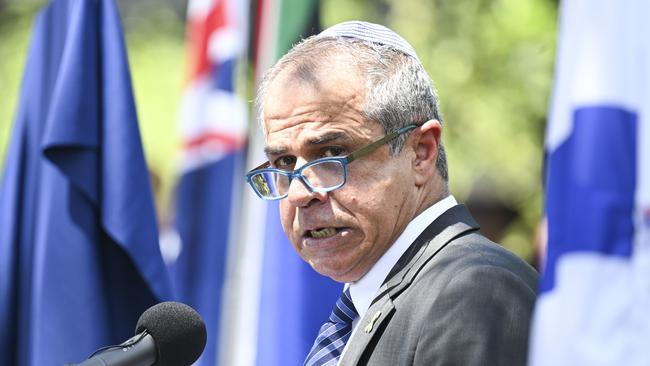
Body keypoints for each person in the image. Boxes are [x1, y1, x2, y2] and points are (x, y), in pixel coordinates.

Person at [245, 20, 538, 366]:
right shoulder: (370, 303)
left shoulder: (474, 291)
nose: (298, 193)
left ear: (421, 152)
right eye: (283, 161)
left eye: (330, 154)